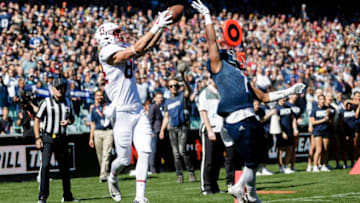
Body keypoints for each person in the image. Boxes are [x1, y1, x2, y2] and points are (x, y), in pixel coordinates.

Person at [191, 1, 305, 202]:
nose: (238, 58)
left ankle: (251, 196)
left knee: (256, 158)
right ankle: (241, 189)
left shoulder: (242, 77)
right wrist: (207, 16)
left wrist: (290, 90)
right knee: (252, 159)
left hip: (249, 118)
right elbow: (211, 42)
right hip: (236, 119)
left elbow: (264, 97)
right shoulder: (219, 68)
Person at [94, 9, 172, 203]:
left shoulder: (121, 48)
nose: (120, 35)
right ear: (105, 38)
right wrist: (155, 25)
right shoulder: (106, 53)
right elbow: (136, 48)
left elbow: (146, 48)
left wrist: (161, 27)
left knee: (145, 150)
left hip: (137, 109)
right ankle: (112, 176)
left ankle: (139, 197)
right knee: (124, 160)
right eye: (115, 33)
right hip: (121, 112)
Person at [34, 78, 77, 203]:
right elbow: (37, 120)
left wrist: (68, 122)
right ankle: (42, 196)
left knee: (65, 168)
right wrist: (37, 138)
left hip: (62, 138)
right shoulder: (46, 102)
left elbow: (73, 118)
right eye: (57, 88)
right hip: (48, 137)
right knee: (45, 166)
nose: (60, 90)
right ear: (52, 89)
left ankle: (67, 196)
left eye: (62, 87)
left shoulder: (68, 101)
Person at [197, 78, 235, 195]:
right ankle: (206, 186)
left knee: (217, 160)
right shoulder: (205, 93)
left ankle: (214, 186)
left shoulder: (223, 92)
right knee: (208, 160)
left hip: (222, 129)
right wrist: (209, 130)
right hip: (210, 129)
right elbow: (203, 112)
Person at [159, 74, 196, 184]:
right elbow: (166, 117)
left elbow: (188, 91)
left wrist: (184, 80)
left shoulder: (182, 97)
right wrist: (162, 130)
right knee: (176, 154)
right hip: (172, 129)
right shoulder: (167, 101)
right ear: (169, 88)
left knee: (182, 151)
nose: (174, 87)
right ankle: (179, 175)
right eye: (171, 86)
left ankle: (190, 172)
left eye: (175, 85)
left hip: (183, 127)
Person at [89, 90, 114, 183]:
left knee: (106, 154)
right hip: (97, 132)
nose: (99, 97)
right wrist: (91, 138)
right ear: (95, 97)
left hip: (108, 132)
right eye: (97, 95)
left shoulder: (108, 106)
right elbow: (92, 124)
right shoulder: (94, 109)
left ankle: (102, 175)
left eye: (101, 95)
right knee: (100, 156)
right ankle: (105, 173)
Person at [309, 94, 331, 172]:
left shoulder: (327, 109)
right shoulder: (314, 109)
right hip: (317, 131)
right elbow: (312, 122)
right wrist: (323, 120)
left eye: (323, 99)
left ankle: (324, 165)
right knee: (319, 149)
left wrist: (328, 117)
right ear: (318, 100)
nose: (322, 101)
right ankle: (315, 166)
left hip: (326, 130)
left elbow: (329, 120)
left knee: (325, 149)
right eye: (320, 99)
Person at [275, 98, 297, 174]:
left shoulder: (288, 107)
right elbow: (276, 121)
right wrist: (282, 132)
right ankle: (281, 167)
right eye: (281, 99)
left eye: (284, 99)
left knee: (290, 149)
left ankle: (286, 166)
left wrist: (295, 129)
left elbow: (293, 118)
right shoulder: (276, 108)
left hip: (289, 131)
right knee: (281, 150)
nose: (283, 100)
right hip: (280, 132)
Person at [147, 92, 164, 173]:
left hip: (160, 131)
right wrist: (151, 131)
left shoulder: (161, 107)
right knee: (153, 151)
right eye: (159, 97)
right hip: (155, 131)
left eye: (161, 97)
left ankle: (157, 168)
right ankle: (153, 169)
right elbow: (150, 120)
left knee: (158, 151)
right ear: (155, 98)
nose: (160, 99)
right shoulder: (153, 107)